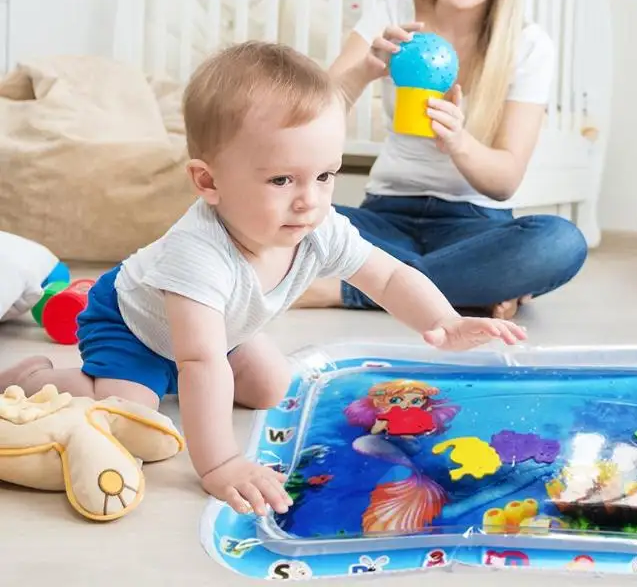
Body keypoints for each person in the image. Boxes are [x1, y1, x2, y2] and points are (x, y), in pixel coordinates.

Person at [0, 42, 526, 518]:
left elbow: (387, 276)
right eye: (282, 179)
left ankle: (168, 381)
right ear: (209, 181)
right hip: (133, 325)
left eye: (325, 175)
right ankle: (37, 378)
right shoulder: (197, 255)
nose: (309, 200)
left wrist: (444, 320)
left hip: (220, 330)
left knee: (272, 385)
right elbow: (199, 361)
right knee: (131, 414)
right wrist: (220, 464)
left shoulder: (317, 225)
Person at [294, 0, 588, 319]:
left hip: (474, 226)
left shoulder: (528, 44)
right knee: (275, 214)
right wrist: (364, 70)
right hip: (385, 218)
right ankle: (466, 285)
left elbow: (505, 180)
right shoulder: (392, 16)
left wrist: (459, 142)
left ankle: (348, 290)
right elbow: (311, 122)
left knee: (560, 242)